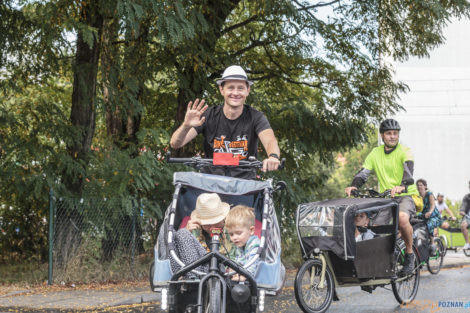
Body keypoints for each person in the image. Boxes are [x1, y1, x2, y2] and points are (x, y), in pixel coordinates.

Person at [170, 65, 281, 179]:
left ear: (248, 91)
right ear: (221, 90)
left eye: (240, 88)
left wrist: (273, 157)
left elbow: (270, 141)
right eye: (231, 87)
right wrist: (185, 126)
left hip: (244, 187)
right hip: (210, 183)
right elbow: (175, 143)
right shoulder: (208, 116)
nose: (235, 92)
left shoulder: (256, 117)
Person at [345, 119, 419, 275]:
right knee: (373, 228)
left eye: (395, 133)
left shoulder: (405, 151)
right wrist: (354, 185)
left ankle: (410, 254)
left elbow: (408, 171)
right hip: (386, 197)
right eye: (389, 134)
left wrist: (402, 185)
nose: (392, 137)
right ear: (382, 135)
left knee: (402, 218)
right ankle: (374, 266)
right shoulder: (375, 153)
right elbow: (364, 173)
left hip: (405, 194)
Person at [169, 193, 231, 276]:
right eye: (207, 224)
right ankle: (184, 278)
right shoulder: (195, 230)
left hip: (224, 269)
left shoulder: (233, 228)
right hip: (198, 270)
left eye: (216, 222)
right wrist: (187, 233)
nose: (212, 227)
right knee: (173, 233)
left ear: (223, 218)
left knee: (182, 233)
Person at [225, 205, 260, 281]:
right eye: (231, 234)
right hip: (245, 273)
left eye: (238, 233)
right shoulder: (240, 244)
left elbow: (254, 263)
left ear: (251, 230)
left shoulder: (255, 244)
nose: (234, 237)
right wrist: (233, 270)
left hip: (257, 276)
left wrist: (244, 276)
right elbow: (239, 261)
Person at [415, 179, 441, 254]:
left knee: (429, 224)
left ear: (425, 186)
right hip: (423, 215)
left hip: (434, 216)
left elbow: (433, 205)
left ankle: (433, 244)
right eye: (418, 185)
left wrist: (429, 212)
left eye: (421, 185)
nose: (419, 187)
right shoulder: (417, 196)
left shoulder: (429, 194)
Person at [460, 180, 470, 250]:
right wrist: (462, 211)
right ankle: (467, 243)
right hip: (468, 217)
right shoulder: (467, 197)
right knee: (463, 225)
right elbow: (463, 205)